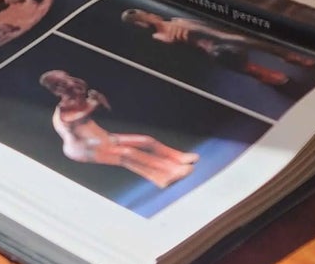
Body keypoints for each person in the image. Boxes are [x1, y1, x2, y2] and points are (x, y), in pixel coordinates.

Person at [38, 70, 200, 189]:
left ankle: (175, 160)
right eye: (62, 83)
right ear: (56, 90)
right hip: (83, 148)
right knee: (127, 154)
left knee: (145, 140)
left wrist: (95, 101)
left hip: (98, 138)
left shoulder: (77, 96)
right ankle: (170, 170)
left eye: (68, 78)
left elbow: (93, 106)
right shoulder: (64, 109)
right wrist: (94, 103)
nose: (71, 83)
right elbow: (75, 119)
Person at [120, 7, 315, 87]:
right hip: (208, 47)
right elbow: (173, 45)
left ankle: (288, 55)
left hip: (216, 35)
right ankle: (262, 73)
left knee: (246, 41)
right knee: (225, 55)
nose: (148, 15)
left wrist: (188, 25)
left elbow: (205, 25)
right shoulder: (159, 34)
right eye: (141, 17)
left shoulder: (175, 19)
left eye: (143, 12)